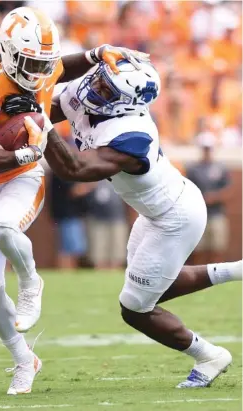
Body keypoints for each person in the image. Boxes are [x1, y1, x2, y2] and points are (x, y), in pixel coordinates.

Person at [0, 6, 149, 395]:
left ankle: (30, 282)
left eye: (42, 63)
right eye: (29, 62)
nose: (38, 74)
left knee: (2, 225)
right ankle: (25, 360)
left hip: (22, 179)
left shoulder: (40, 65)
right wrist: (24, 151)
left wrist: (96, 53)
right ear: (6, 50)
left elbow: (59, 67)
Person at [20, 58, 242, 388]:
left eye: (106, 88)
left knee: (135, 308)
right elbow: (46, 107)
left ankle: (209, 355)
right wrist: (7, 102)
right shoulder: (99, 93)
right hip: (158, 211)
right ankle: (237, 271)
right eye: (101, 80)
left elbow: (73, 169)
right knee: (148, 288)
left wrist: (37, 121)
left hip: (174, 216)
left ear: (126, 102)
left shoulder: (132, 136)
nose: (96, 88)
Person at [187, 133, 231, 264]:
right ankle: (199, 279)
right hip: (199, 214)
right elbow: (187, 190)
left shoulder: (221, 168)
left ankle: (217, 278)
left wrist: (215, 197)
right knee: (198, 250)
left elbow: (228, 191)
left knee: (218, 248)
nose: (206, 151)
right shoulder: (193, 169)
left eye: (208, 148)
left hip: (217, 213)